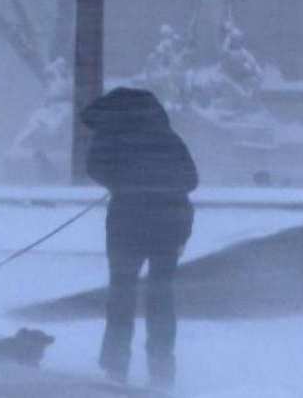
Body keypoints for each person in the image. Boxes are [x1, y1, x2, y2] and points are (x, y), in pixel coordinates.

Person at [80, 88, 198, 389]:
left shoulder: (112, 134)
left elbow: (95, 168)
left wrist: (122, 184)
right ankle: (162, 370)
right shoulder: (167, 136)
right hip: (169, 225)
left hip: (126, 224)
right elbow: (191, 179)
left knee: (121, 294)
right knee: (161, 297)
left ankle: (115, 367)